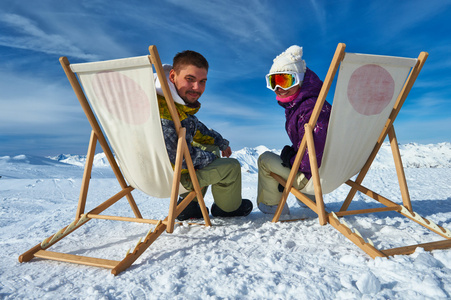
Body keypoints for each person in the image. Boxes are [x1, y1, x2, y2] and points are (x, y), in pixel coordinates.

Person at [155, 50, 252, 220]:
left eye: (202, 81)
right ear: (172, 76)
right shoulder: (166, 113)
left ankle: (189, 207)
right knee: (232, 166)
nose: (197, 88)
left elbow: (197, 129)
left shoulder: (162, 103)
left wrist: (220, 143)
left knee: (210, 147)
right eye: (190, 79)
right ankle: (227, 209)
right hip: (170, 178)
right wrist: (212, 158)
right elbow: (177, 157)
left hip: (142, 174)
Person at [257, 45, 331, 215]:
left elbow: (313, 157)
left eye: (284, 80)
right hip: (332, 173)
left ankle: (272, 206)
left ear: (300, 79)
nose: (278, 88)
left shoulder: (309, 110)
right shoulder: (312, 105)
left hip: (314, 179)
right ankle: (309, 200)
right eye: (273, 82)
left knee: (265, 159)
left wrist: (292, 159)